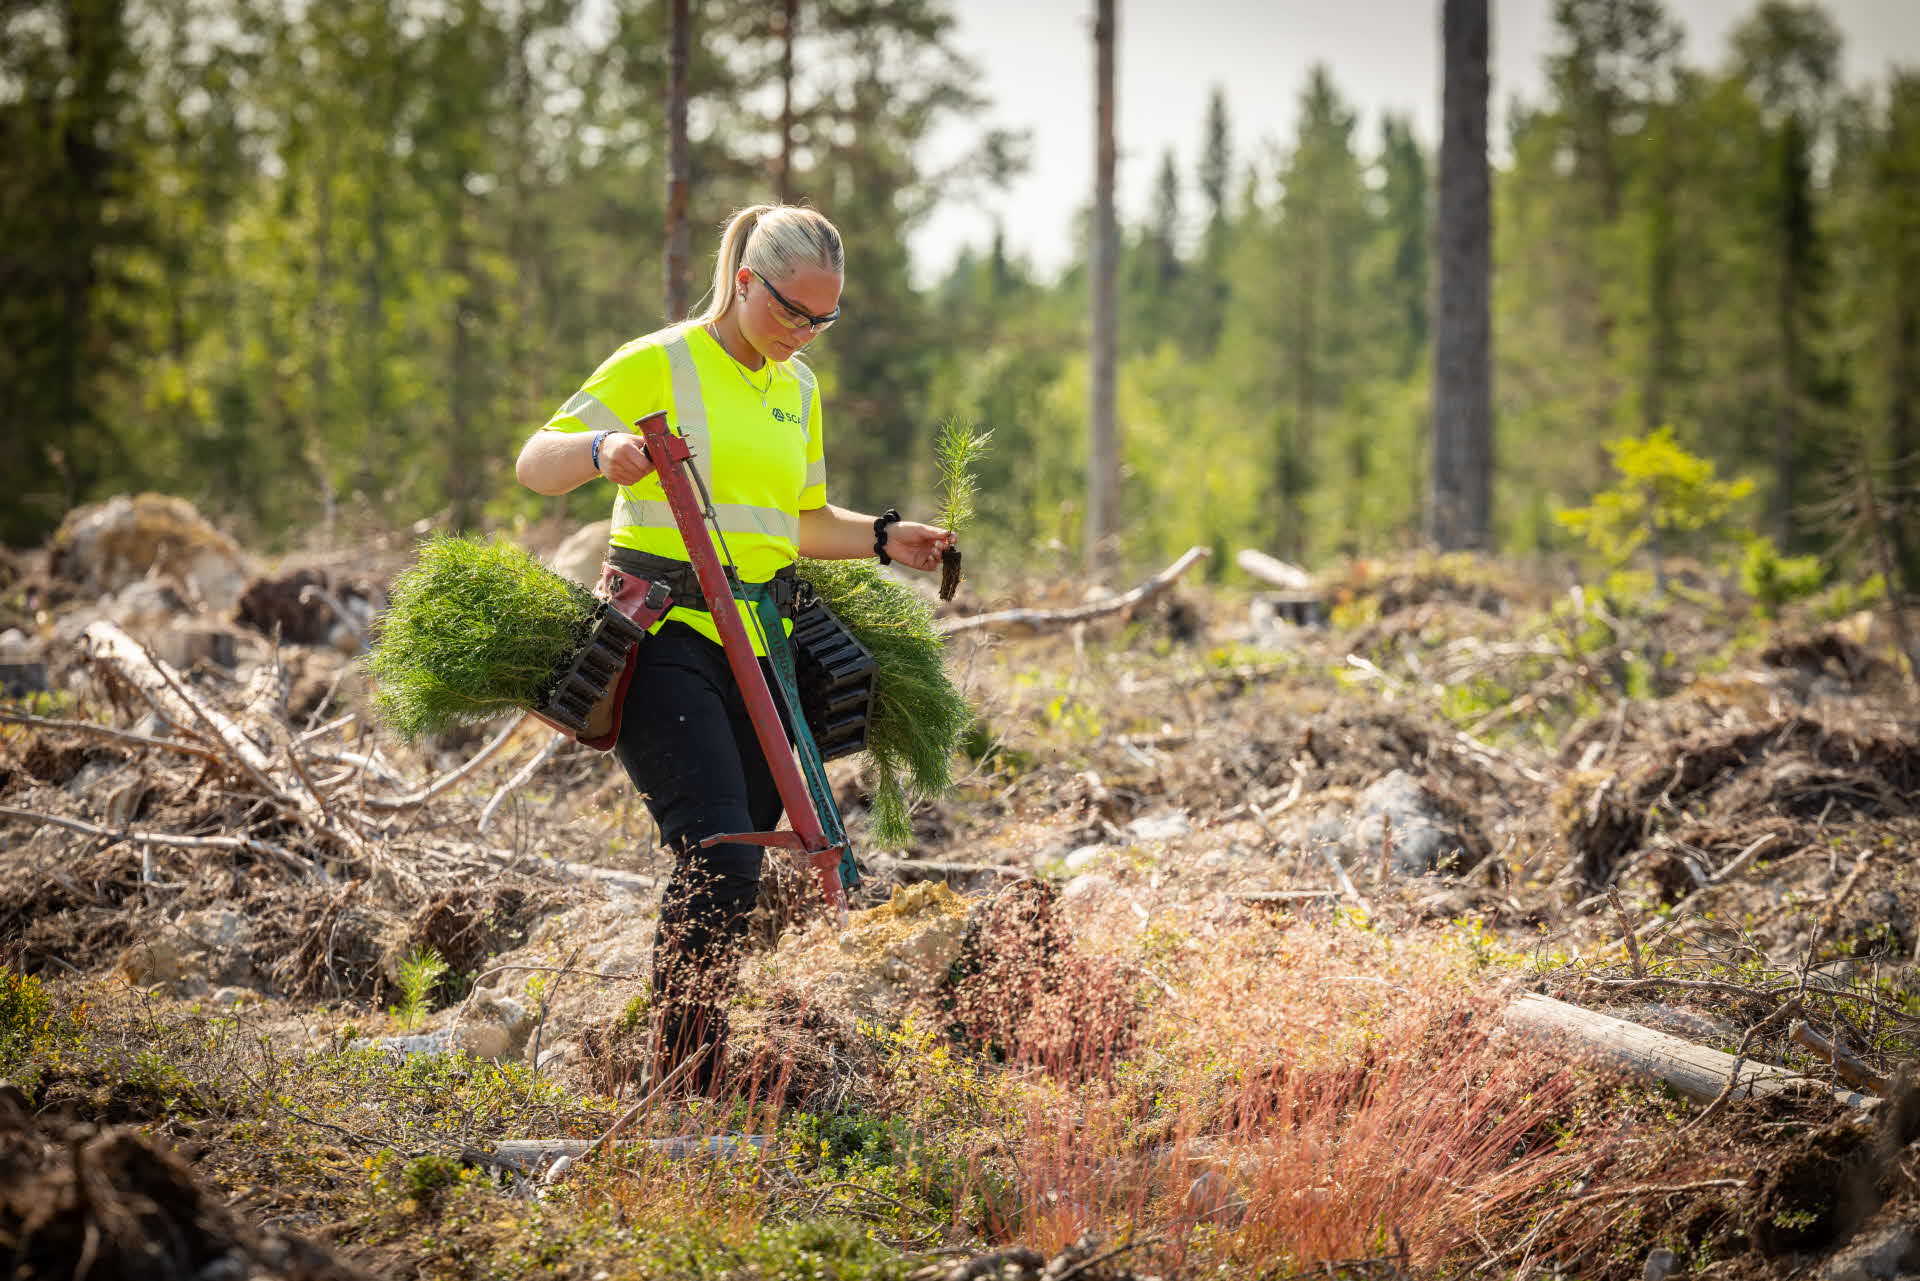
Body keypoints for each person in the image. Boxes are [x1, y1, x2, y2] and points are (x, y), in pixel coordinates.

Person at [515, 203, 954, 1094]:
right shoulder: (663, 360)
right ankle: (685, 1081)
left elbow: (798, 521)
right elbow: (534, 460)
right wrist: (604, 450)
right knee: (718, 847)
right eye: (791, 311)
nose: (804, 334)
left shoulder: (798, 389)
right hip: (666, 631)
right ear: (745, 281)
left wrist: (883, 537)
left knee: (746, 853)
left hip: (763, 646)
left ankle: (695, 1056)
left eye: (823, 321)